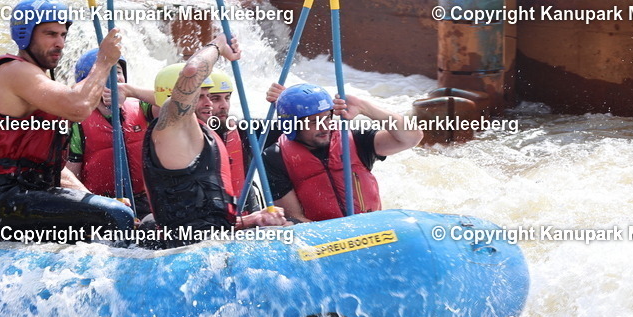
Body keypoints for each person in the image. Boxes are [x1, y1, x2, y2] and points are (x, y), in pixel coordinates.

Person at [0, 0, 135, 241]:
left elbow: (53, 168)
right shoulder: (13, 71)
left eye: (63, 35)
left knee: (113, 210)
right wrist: (105, 61)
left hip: (31, 194)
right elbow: (79, 107)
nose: (60, 43)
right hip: (1, 201)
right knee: (117, 216)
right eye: (50, 34)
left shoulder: (38, 81)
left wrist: (92, 199)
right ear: (25, 34)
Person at [142, 35, 287, 245]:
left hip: (208, 244)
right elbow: (192, 71)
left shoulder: (195, 132)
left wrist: (252, 219)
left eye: (210, 96)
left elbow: (205, 220)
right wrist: (218, 45)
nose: (209, 103)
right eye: (200, 96)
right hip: (189, 252)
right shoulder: (171, 127)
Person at [264, 83, 423, 222]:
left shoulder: (355, 139)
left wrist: (364, 107)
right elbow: (295, 218)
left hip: (372, 231)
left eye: (327, 118)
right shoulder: (275, 157)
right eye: (314, 122)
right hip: (326, 241)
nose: (324, 126)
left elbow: (412, 138)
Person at [67, 48, 156, 216]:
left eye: (118, 72)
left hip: (146, 202)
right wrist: (100, 206)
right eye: (105, 74)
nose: (113, 79)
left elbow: (178, 103)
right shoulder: (77, 123)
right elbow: (71, 176)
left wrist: (131, 90)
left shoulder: (141, 108)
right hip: (102, 206)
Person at [196, 69, 267, 211]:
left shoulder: (244, 130)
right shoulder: (179, 139)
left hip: (247, 213)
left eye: (227, 98)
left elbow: (295, 127)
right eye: (215, 99)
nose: (224, 105)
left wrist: (282, 100)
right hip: (209, 223)